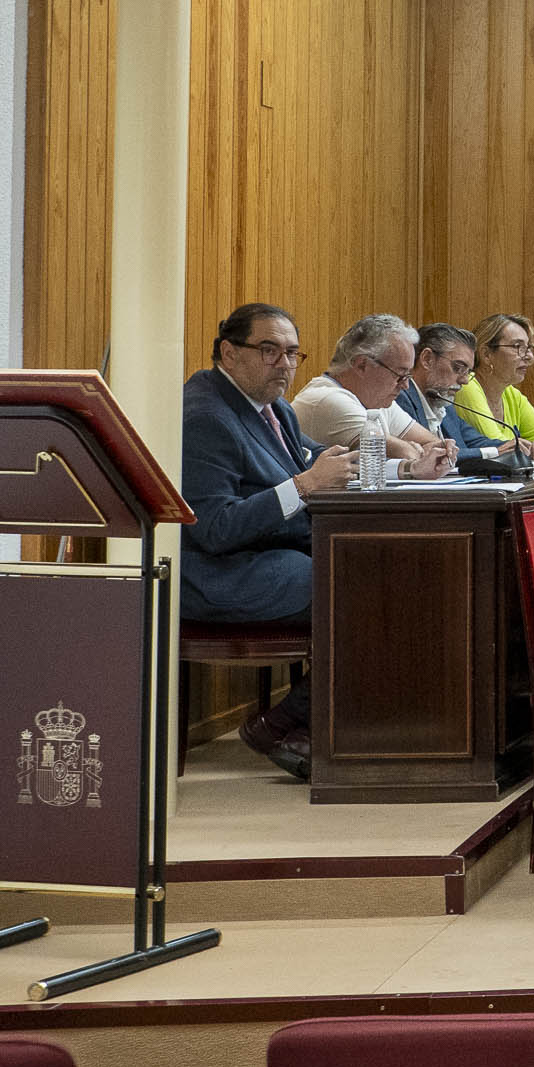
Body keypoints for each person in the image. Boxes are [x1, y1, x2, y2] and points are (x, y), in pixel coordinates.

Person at [180, 302, 356, 777]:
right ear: (228, 352)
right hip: (216, 574)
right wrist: (305, 486)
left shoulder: (273, 407)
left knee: (372, 569)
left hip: (271, 555)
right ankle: (287, 725)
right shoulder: (205, 416)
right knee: (356, 589)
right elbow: (213, 529)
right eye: (269, 350)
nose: (284, 364)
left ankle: (303, 728)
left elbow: (320, 459)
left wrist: (406, 466)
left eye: (293, 353)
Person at [288, 316, 459, 479]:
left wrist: (426, 451)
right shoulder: (327, 399)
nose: (406, 386)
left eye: (408, 376)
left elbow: (435, 445)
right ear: (362, 365)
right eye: (400, 375)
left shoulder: (377, 401)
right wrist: (414, 450)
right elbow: (404, 455)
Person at [409, 322, 509, 457]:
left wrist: (519, 447)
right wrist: (495, 451)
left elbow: (476, 442)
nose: (465, 380)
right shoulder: (400, 398)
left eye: (468, 372)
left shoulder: (444, 403)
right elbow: (433, 454)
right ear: (427, 359)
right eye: (459, 368)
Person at [455, 314, 534, 448]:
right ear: (486, 354)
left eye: (528, 348)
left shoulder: (511, 395)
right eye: (518, 347)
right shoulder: (467, 386)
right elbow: (500, 449)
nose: (530, 357)